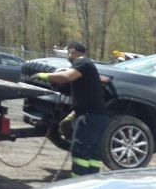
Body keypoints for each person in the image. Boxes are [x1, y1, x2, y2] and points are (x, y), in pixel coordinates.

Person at [31, 41, 109, 177]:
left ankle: (77, 184)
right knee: (92, 153)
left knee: (80, 150)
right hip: (98, 117)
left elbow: (66, 77)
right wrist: (71, 116)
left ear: (72, 51)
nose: (68, 56)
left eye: (68, 52)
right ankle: (90, 181)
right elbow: (88, 98)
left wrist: (44, 76)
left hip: (89, 118)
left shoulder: (82, 62)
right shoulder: (89, 67)